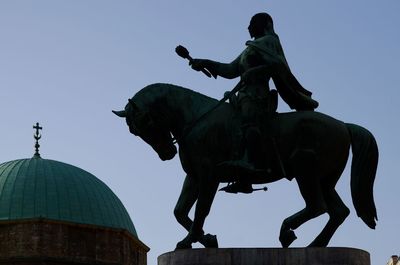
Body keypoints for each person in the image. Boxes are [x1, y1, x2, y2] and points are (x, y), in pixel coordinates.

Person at [191, 12, 318, 193]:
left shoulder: (269, 41)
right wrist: (206, 63)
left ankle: (250, 163)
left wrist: (256, 71)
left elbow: (278, 66)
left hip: (257, 96)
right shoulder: (250, 48)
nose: (248, 27)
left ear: (265, 23)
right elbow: (230, 69)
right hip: (243, 95)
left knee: (248, 119)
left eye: (252, 23)